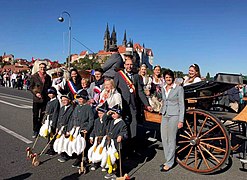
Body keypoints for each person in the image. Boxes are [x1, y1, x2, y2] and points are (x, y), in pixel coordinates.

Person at [114, 57, 152, 155]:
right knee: (123, 127)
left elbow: (140, 91)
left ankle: (133, 149)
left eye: (131, 64)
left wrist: (147, 104)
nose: (129, 66)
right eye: (127, 64)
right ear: (124, 65)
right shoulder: (118, 75)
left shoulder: (137, 77)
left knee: (133, 127)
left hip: (133, 106)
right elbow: (115, 90)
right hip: (122, 105)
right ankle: (122, 149)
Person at [160, 69, 185, 172]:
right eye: (166, 77)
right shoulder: (163, 88)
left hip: (174, 115)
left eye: (169, 77)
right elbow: (164, 101)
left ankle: (170, 162)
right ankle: (168, 159)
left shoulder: (179, 88)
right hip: (165, 114)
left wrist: (181, 120)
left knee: (171, 138)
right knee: (163, 138)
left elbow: (182, 104)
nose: (168, 79)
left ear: (172, 78)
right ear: (164, 78)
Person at [68, 90, 94, 168]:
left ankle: (82, 159)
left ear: (85, 99)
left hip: (83, 129)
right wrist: (70, 128)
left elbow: (91, 120)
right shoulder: (76, 107)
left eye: (81, 98)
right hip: (76, 128)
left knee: (82, 145)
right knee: (76, 144)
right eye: (78, 98)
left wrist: (88, 128)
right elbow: (72, 118)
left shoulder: (88, 108)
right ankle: (78, 157)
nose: (80, 100)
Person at [104, 104, 128, 179]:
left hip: (116, 143)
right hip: (109, 142)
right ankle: (109, 171)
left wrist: (121, 135)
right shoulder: (110, 121)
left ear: (119, 114)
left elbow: (125, 133)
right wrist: (107, 114)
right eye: (112, 114)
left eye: (114, 113)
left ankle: (117, 173)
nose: (113, 115)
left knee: (117, 159)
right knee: (109, 157)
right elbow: (104, 120)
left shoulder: (122, 123)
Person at [30, 63, 52, 138]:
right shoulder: (34, 76)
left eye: (44, 67)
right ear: (39, 68)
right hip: (37, 99)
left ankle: (39, 128)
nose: (42, 69)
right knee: (35, 116)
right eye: (41, 67)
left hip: (45, 99)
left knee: (42, 115)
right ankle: (35, 130)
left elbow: (49, 87)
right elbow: (30, 87)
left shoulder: (48, 77)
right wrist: (36, 93)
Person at [89, 104, 109, 171]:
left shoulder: (107, 121)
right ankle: (95, 163)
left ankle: (103, 164)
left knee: (103, 152)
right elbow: (94, 130)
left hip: (104, 138)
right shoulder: (96, 120)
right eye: (98, 113)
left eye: (101, 113)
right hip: (97, 139)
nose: (100, 115)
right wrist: (91, 137)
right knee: (95, 151)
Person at [57, 93, 74, 163]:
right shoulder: (62, 108)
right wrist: (57, 127)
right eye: (62, 100)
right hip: (61, 127)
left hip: (67, 127)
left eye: (65, 100)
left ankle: (66, 155)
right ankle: (62, 153)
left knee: (66, 142)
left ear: (69, 100)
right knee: (60, 141)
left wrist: (69, 130)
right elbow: (59, 118)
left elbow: (71, 120)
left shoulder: (72, 109)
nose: (63, 101)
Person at [43, 87, 60, 156]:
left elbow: (56, 112)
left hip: (52, 120)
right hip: (48, 119)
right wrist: (44, 120)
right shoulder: (49, 101)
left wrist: (54, 122)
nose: (50, 95)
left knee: (52, 135)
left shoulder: (56, 102)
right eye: (49, 93)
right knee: (48, 134)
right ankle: (50, 147)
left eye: (51, 93)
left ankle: (53, 148)